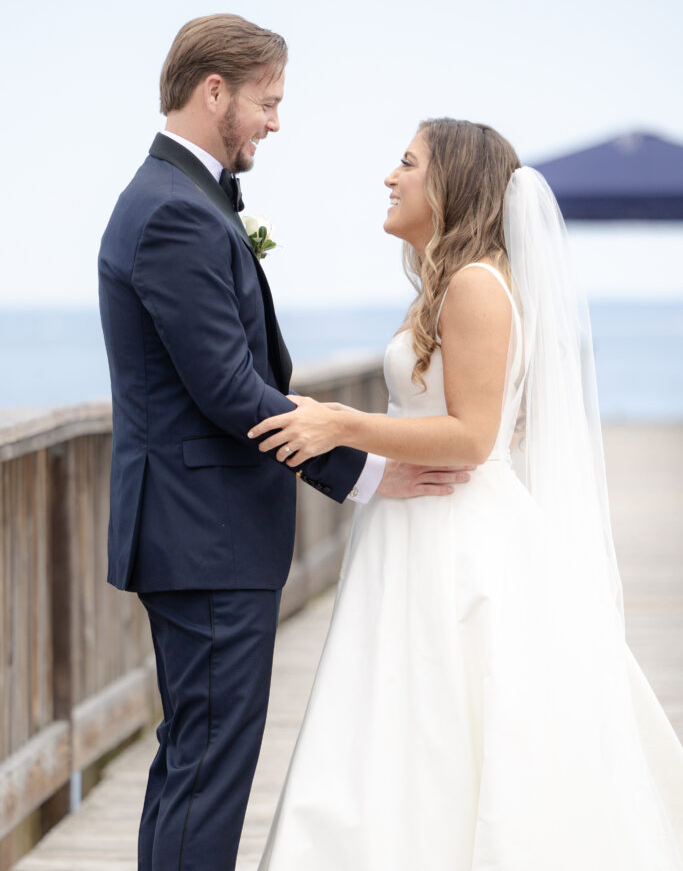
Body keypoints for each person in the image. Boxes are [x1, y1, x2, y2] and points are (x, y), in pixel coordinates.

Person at [250, 119, 683, 869]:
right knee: (403, 719)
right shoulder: (449, 283)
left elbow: (472, 437)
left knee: (442, 718)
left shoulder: (477, 285)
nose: (390, 177)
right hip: (415, 522)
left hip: (453, 536)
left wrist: (340, 424)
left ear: (450, 182)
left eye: (407, 163)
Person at [97, 16, 470, 871]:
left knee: (193, 761)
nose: (275, 122)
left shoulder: (178, 200)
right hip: (206, 535)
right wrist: (368, 472)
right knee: (209, 769)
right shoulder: (171, 215)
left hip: (200, 534)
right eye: (266, 102)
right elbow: (231, 391)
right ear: (214, 91)